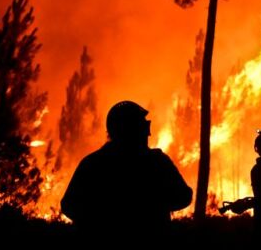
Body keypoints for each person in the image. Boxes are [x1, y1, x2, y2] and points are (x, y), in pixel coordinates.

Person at [60, 100, 192, 234]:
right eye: (142, 126)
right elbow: (184, 196)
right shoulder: (157, 162)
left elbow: (69, 205)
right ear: (131, 130)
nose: (146, 132)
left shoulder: (92, 163)